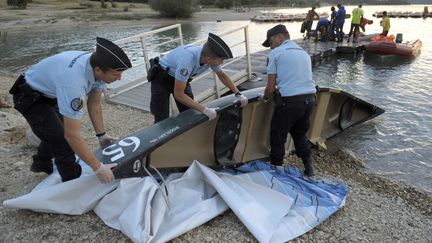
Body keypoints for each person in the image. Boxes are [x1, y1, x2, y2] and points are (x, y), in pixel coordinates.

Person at [9, 37, 132, 183]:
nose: (119, 78)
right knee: (64, 141)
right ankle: (72, 182)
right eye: (116, 74)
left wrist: (102, 135)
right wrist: (98, 167)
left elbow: (94, 104)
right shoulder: (74, 84)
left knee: (54, 132)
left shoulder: (96, 65)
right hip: (28, 96)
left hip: (50, 92)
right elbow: (71, 135)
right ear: (98, 69)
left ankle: (40, 163)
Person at [149, 33, 248, 123]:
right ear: (209, 59)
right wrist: (205, 110)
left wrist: (238, 93)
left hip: (182, 78)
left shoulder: (208, 57)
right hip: (161, 79)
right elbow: (179, 94)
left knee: (189, 111)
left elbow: (222, 75)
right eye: (221, 60)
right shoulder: (187, 60)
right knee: (161, 116)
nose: (222, 63)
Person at [261, 24, 317, 176]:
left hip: (290, 102)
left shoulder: (276, 54)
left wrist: (265, 97)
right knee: (299, 134)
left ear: (279, 37)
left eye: (271, 43)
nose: (271, 47)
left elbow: (271, 88)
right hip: (310, 100)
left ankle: (276, 172)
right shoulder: (303, 53)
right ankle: (309, 168)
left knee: (277, 137)